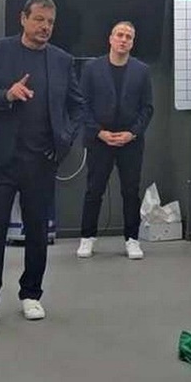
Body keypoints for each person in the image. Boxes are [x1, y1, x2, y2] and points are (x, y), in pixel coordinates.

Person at [0, 0, 84, 331]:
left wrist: (64, 140)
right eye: (39, 20)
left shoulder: (61, 60)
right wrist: (6, 94)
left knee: (37, 231)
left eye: (50, 22)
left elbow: (77, 106)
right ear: (23, 19)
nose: (45, 27)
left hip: (41, 160)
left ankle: (31, 293)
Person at [76, 21, 154, 260]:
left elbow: (147, 108)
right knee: (94, 190)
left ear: (132, 43)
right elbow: (82, 105)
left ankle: (132, 239)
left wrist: (132, 133)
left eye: (128, 37)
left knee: (131, 191)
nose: (123, 40)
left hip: (131, 141)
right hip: (100, 140)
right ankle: (87, 237)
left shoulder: (142, 71)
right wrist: (98, 132)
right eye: (119, 35)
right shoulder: (92, 69)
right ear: (110, 39)